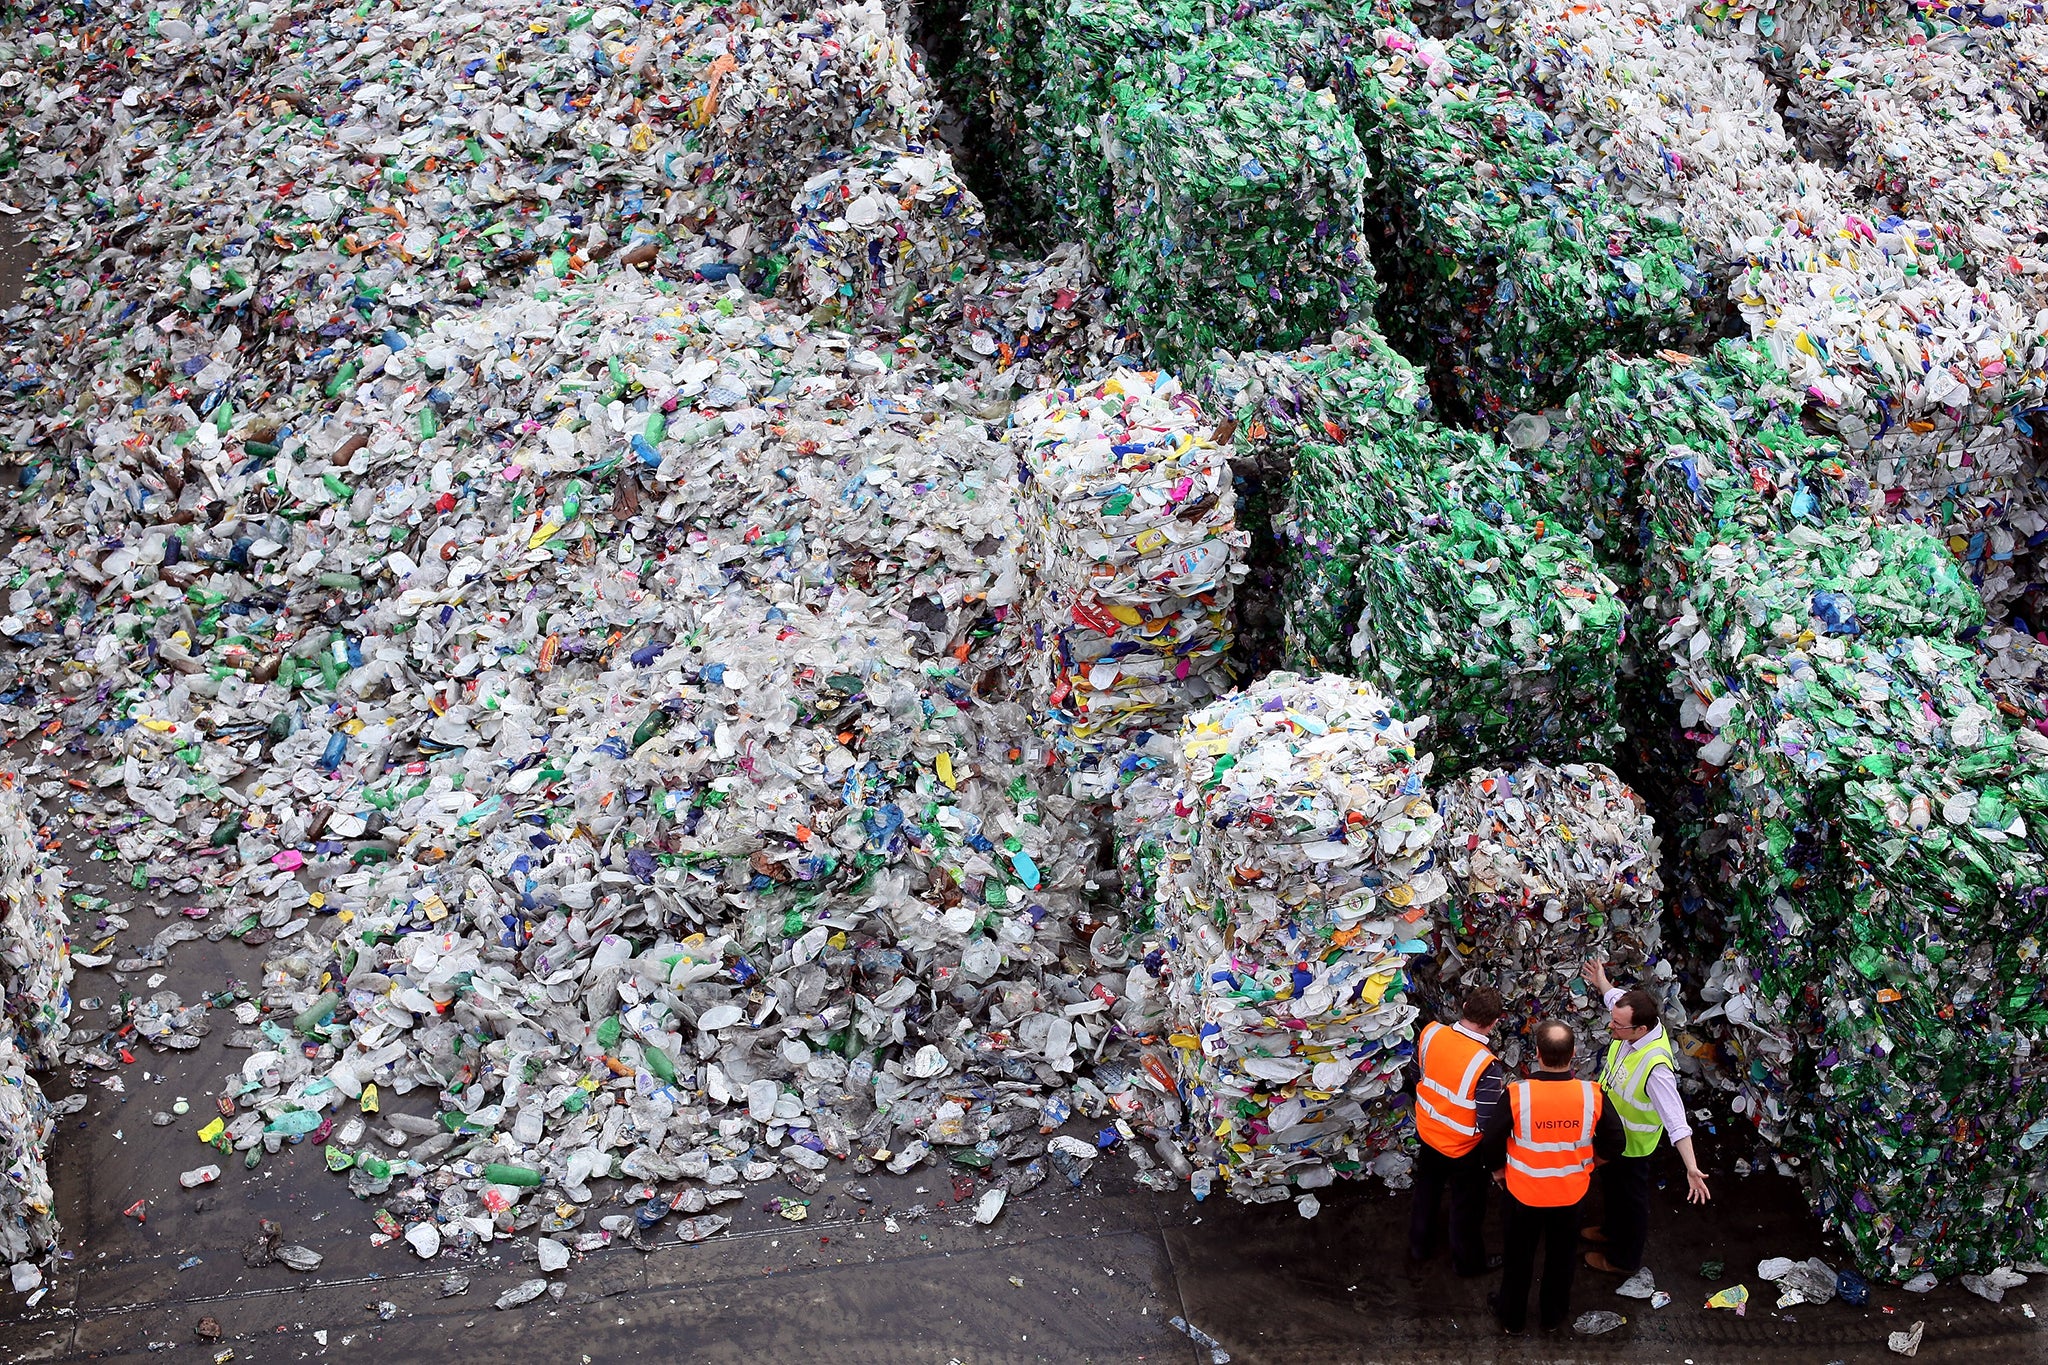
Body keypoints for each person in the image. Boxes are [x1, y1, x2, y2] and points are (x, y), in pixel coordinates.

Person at [1480, 1019, 1624, 1334]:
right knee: (1561, 1260)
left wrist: (1498, 1171)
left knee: (1518, 1259)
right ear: (1573, 1055)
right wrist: (1591, 1163)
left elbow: (1491, 1141)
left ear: (1537, 1054)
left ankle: (1512, 1318)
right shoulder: (1592, 1094)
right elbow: (1616, 1141)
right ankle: (1552, 1317)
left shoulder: (1518, 1094)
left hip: (1523, 1195)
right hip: (1570, 1195)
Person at [1579, 960, 1712, 1276]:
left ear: (1641, 1029)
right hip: (1610, 1138)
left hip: (1632, 1147)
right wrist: (1602, 981)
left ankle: (1622, 1260)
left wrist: (1691, 1167)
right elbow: (1615, 998)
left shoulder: (1657, 1070)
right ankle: (1611, 1229)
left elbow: (1677, 1122)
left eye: (1617, 1026)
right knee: (1611, 1189)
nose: (1611, 1028)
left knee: (1631, 1204)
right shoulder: (1631, 1017)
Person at [1408, 985, 1507, 1276]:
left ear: (1464, 1007)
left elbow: (1416, 1074)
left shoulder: (1431, 1033)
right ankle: (1468, 1264)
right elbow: (1487, 1120)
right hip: (1463, 1148)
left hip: (1428, 1133)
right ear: (1494, 1022)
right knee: (1466, 1209)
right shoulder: (1485, 1064)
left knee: (1426, 1191)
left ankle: (1419, 1247)